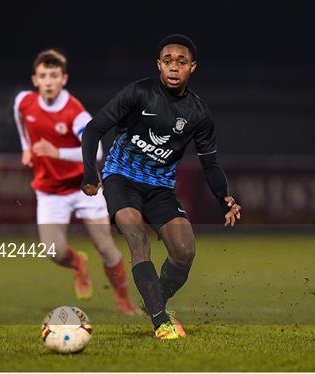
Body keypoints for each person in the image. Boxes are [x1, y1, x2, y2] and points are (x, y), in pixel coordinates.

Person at [81, 34, 242, 339]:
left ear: (192, 68)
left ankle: (155, 300)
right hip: (121, 178)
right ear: (158, 64)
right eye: (167, 61)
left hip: (159, 188)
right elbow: (93, 130)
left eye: (181, 62)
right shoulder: (139, 93)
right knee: (137, 237)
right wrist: (90, 174)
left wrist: (224, 199)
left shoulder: (197, 113)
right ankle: (161, 322)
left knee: (184, 252)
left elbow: (210, 162)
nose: (173, 67)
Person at [13, 49, 141, 315]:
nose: (48, 81)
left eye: (54, 75)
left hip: (85, 188)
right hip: (50, 191)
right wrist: (27, 147)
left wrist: (55, 152)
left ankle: (124, 300)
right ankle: (78, 265)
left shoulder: (75, 113)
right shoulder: (24, 102)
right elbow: (21, 121)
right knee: (54, 252)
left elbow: (97, 152)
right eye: (43, 75)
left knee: (106, 248)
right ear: (35, 80)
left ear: (64, 79)